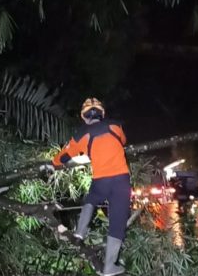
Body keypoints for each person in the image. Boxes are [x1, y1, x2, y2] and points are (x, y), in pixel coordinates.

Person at [51, 97, 130, 276]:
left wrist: (54, 162)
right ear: (102, 114)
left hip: (101, 180)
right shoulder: (115, 126)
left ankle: (79, 233)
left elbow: (64, 156)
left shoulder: (81, 134)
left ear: (85, 117)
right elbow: (122, 141)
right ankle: (110, 267)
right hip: (121, 181)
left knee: (91, 200)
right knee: (118, 221)